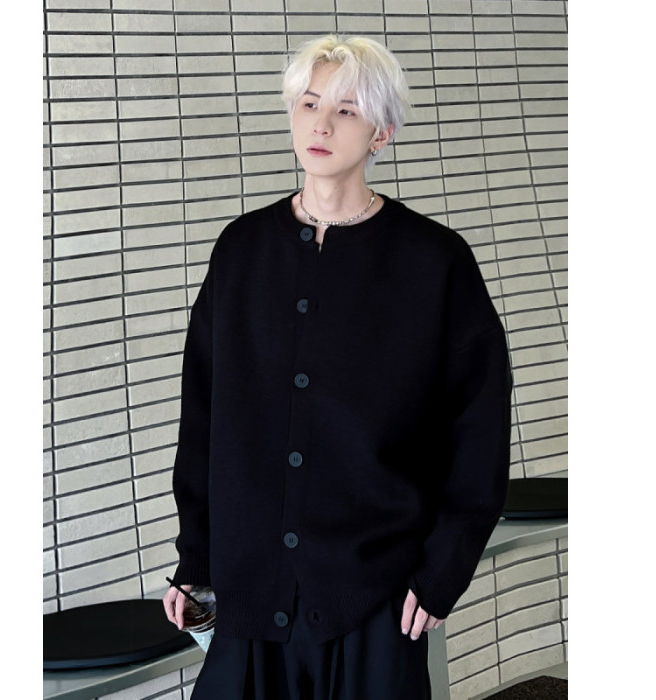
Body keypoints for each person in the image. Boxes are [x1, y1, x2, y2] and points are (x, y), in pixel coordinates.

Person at [163, 34, 512, 700]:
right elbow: (203, 415)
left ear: (382, 133)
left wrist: (444, 570)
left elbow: (479, 428)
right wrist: (195, 558)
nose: (320, 124)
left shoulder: (434, 261)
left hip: (374, 590)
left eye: (347, 110)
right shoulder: (241, 250)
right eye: (309, 103)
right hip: (251, 587)